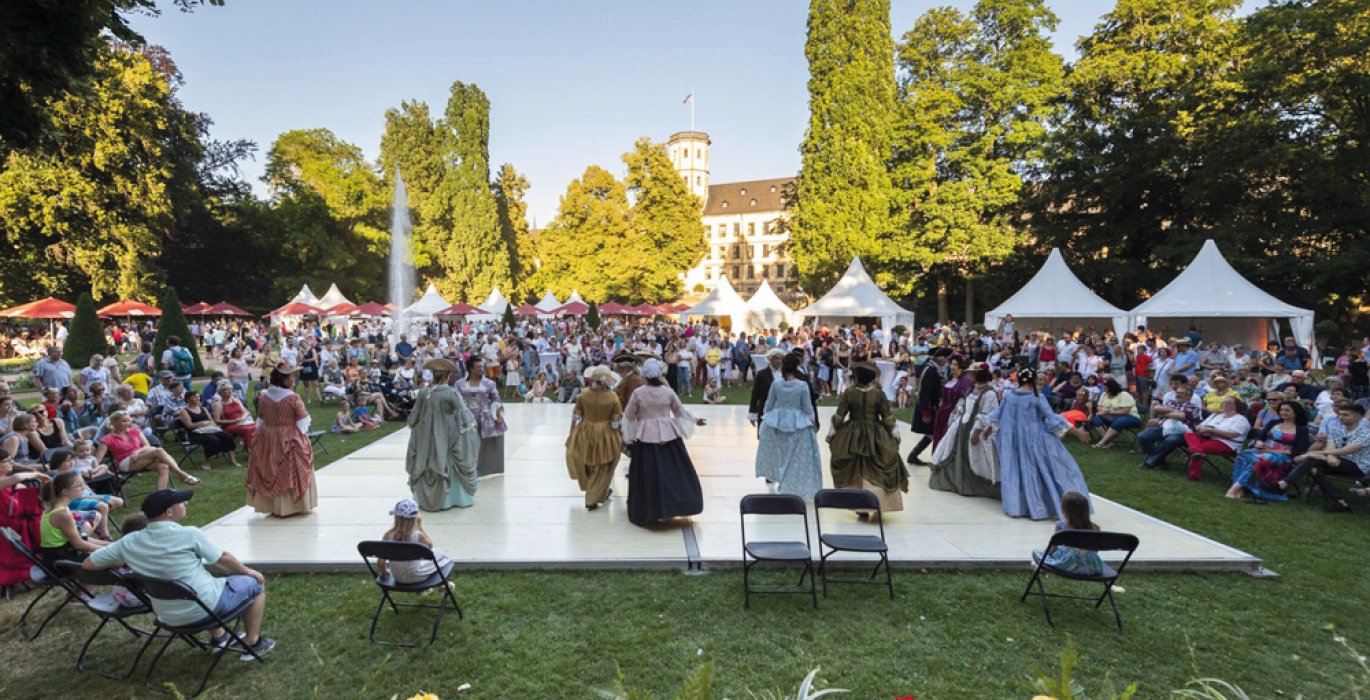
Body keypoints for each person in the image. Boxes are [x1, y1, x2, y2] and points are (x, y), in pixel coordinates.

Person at [84, 489, 275, 660]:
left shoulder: (129, 542)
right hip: (204, 609)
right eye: (182, 502)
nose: (186, 503)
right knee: (254, 583)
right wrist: (249, 571)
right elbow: (222, 558)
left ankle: (220, 638)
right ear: (169, 512)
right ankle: (253, 643)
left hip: (167, 615)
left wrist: (128, 559)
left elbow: (88, 563)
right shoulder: (189, 534)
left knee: (199, 585)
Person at [982, 367, 1092, 521]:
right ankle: (1040, 506)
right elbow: (1052, 417)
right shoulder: (1036, 397)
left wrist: (987, 429)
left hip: (1012, 439)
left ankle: (1019, 506)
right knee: (1045, 469)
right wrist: (1077, 431)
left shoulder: (1009, 395)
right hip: (1034, 439)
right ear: (1034, 380)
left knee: (1016, 470)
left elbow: (998, 414)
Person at [623, 359, 704, 527]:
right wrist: (695, 420)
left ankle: (649, 509)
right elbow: (680, 412)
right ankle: (671, 506)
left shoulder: (638, 393)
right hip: (668, 435)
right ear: (660, 373)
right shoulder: (667, 392)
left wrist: (629, 436)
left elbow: (629, 416)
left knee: (647, 473)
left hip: (645, 436)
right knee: (673, 471)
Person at [828, 362, 909, 516]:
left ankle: (860, 505)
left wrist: (833, 432)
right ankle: (877, 502)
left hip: (852, 435)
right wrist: (894, 432)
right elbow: (887, 416)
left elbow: (840, 415)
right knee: (877, 467)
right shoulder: (879, 394)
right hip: (876, 434)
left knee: (857, 469)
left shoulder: (850, 393)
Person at [405, 359, 480, 511]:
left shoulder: (424, 392)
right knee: (447, 459)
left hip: (426, 434)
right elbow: (464, 415)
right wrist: (471, 429)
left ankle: (427, 498)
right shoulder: (452, 393)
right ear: (447, 375)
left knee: (427, 458)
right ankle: (453, 498)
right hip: (448, 433)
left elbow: (415, 415)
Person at [246, 366, 317, 517]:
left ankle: (274, 507)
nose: (294, 379)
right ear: (284, 380)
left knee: (269, 468)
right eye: (291, 377)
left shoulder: (264, 396)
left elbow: (261, 418)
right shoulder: (292, 398)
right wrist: (300, 435)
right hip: (289, 437)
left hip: (267, 436)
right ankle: (291, 506)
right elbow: (303, 420)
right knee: (289, 470)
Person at [1276, 403, 1370, 512]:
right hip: (1335, 462)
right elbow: (1331, 447)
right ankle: (1340, 503)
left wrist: (1309, 454)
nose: (1341, 417)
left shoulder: (1366, 433)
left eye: (1346, 415)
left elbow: (1346, 450)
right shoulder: (1336, 430)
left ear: (1358, 417)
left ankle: (1283, 484)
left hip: (1358, 467)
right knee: (1313, 469)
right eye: (1340, 414)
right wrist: (1329, 457)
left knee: (1312, 459)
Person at [754, 354, 822, 499]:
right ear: (796, 368)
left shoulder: (777, 384)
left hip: (777, 424)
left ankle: (780, 479)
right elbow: (808, 408)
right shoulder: (802, 385)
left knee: (781, 455)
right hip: (798, 425)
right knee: (794, 457)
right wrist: (813, 423)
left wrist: (769, 420)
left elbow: (768, 405)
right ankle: (789, 484)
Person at [929, 365, 1000, 499]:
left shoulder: (990, 393)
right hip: (962, 426)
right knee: (954, 454)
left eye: (973, 373)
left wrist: (977, 432)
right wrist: (958, 410)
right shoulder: (972, 388)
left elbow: (989, 414)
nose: (971, 375)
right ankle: (956, 483)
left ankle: (971, 487)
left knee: (974, 458)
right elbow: (965, 404)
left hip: (976, 430)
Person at [1225, 401, 1310, 502]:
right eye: (1282, 410)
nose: (1283, 412)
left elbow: (1299, 450)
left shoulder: (1302, 429)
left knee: (1260, 460)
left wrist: (1271, 450)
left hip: (1283, 456)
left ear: (1296, 412)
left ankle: (1234, 489)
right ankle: (1241, 489)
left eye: (1287, 410)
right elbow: (1260, 437)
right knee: (1243, 455)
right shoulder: (1273, 423)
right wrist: (1259, 443)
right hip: (1263, 450)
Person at [565, 365, 623, 510]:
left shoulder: (583, 394)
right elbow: (616, 423)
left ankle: (594, 490)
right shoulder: (613, 397)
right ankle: (593, 496)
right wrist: (619, 435)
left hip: (585, 431)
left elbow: (576, 415)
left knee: (587, 462)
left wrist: (572, 432)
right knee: (603, 465)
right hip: (605, 434)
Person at [94, 410, 199, 490]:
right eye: (123, 421)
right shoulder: (107, 439)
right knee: (158, 451)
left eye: (128, 420)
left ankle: (161, 496)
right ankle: (182, 474)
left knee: (163, 466)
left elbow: (146, 446)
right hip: (125, 463)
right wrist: (91, 467)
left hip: (140, 456)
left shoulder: (135, 431)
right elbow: (97, 459)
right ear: (114, 422)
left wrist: (137, 452)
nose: (127, 423)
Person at [36, 471, 108, 564]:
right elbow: (78, 544)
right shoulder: (62, 514)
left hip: (58, 554)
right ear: (65, 491)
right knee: (115, 560)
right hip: (62, 560)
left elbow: (80, 539)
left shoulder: (55, 507)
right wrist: (108, 550)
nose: (83, 488)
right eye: (79, 485)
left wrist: (108, 545)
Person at [377, 498, 453, 585]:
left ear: (396, 518)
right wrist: (420, 527)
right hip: (417, 576)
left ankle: (425, 590)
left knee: (429, 557)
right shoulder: (418, 535)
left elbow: (380, 562)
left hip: (397, 577)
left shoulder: (387, 535)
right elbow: (430, 545)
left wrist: (384, 573)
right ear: (415, 519)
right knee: (440, 554)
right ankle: (444, 584)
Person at [1031, 491, 1104, 576]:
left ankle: (1041, 567)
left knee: (1038, 553)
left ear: (1064, 510)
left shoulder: (1061, 526)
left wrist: (1043, 557)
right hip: (1092, 567)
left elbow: (1052, 547)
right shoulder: (1095, 528)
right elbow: (1095, 550)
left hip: (1068, 564)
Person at [456, 357, 507, 479]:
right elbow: (455, 401)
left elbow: (496, 400)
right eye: (478, 367)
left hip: (485, 418)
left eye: (482, 367)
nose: (481, 369)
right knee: (466, 445)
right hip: (466, 418)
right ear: (470, 369)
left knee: (485, 446)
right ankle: (466, 470)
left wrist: (498, 417)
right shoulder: (460, 384)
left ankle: (483, 470)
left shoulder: (489, 383)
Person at [1181, 396, 1251, 480]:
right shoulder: (1216, 415)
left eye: (1229, 402)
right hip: (1208, 437)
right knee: (1188, 434)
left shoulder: (1240, 419)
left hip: (1227, 443)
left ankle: (1193, 474)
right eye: (1224, 402)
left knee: (1201, 447)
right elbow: (1199, 425)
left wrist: (1211, 430)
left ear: (1236, 406)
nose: (1225, 404)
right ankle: (1197, 452)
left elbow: (1231, 435)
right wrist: (1203, 430)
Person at [1137, 384, 1203, 470]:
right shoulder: (1171, 402)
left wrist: (1166, 413)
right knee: (1142, 436)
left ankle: (1150, 462)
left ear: (1189, 396)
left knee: (1171, 439)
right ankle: (1160, 462)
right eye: (1177, 392)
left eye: (1181, 393)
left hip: (1183, 434)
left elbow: (1182, 417)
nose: (1178, 394)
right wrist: (1176, 411)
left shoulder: (1194, 407)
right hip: (1165, 429)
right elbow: (1157, 409)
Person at [178, 392, 239, 469]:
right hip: (195, 433)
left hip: (208, 430)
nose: (197, 398)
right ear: (187, 399)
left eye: (198, 396)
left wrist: (212, 424)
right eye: (194, 397)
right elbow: (189, 425)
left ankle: (232, 460)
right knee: (213, 440)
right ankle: (206, 462)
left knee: (227, 436)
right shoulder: (184, 411)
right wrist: (202, 423)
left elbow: (212, 421)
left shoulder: (203, 409)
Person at [908, 348, 948, 466]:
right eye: (944, 357)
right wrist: (926, 412)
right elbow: (925, 392)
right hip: (928, 407)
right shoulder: (930, 370)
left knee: (932, 433)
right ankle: (914, 456)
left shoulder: (929, 366)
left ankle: (913, 455)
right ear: (937, 357)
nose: (946, 360)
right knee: (933, 433)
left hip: (930, 406)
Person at [933, 357, 974, 448]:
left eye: (955, 364)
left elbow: (963, 400)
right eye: (951, 364)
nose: (952, 366)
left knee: (948, 439)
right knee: (939, 438)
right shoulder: (950, 379)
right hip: (942, 413)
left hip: (953, 415)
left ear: (961, 367)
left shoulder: (965, 382)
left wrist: (953, 415)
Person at [1089, 378, 1142, 449]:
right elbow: (1098, 406)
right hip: (1112, 417)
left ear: (1111, 387)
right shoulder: (1104, 394)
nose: (1103, 388)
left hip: (1130, 417)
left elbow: (1125, 411)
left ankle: (1101, 443)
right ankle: (1109, 443)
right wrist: (1104, 410)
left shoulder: (1124, 394)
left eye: (1105, 387)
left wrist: (1108, 411)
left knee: (1119, 421)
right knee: (1096, 419)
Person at [747, 348, 786, 437]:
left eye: (781, 359)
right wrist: (752, 413)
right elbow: (755, 395)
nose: (779, 361)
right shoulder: (762, 374)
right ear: (770, 359)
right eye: (776, 358)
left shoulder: (786, 374)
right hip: (765, 411)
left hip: (782, 411)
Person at [213, 381, 256, 450]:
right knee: (247, 429)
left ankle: (256, 448)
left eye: (230, 390)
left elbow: (246, 412)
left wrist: (243, 418)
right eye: (227, 390)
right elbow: (217, 421)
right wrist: (234, 421)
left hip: (242, 422)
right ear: (221, 393)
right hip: (229, 425)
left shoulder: (236, 400)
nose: (230, 392)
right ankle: (250, 450)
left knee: (256, 427)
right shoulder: (217, 404)